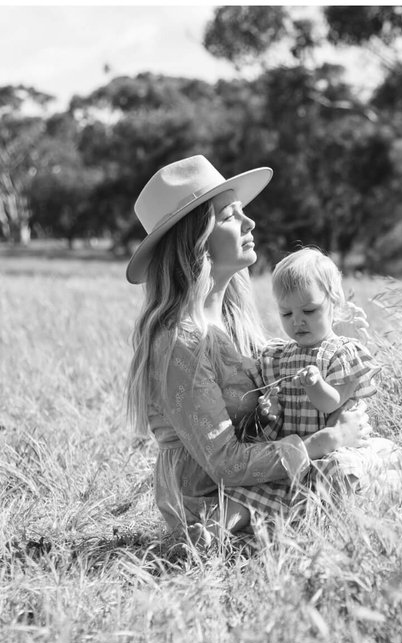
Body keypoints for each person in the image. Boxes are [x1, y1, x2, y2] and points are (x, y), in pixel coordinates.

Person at [124, 155, 371, 545]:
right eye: (229, 216)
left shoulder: (231, 318)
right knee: (367, 488)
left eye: (243, 211)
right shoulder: (180, 341)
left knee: (388, 471)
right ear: (197, 237)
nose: (249, 222)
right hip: (211, 501)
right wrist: (323, 442)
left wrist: (335, 354)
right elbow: (222, 463)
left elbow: (283, 371)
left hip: (263, 480)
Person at [254, 248, 402, 492]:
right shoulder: (279, 356)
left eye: (309, 310)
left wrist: (315, 384)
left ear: (334, 302)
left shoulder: (342, 353)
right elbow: (279, 411)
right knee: (281, 484)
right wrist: (269, 412)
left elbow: (331, 402)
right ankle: (395, 469)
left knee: (342, 471)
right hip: (306, 450)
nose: (297, 320)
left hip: (342, 447)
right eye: (286, 313)